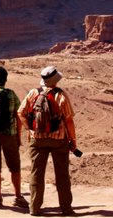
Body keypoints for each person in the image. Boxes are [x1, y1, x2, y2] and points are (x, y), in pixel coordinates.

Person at [18, 66, 77, 216]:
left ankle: (35, 208)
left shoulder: (33, 93)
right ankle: (66, 208)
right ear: (56, 80)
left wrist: (29, 129)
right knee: (62, 174)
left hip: (37, 139)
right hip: (59, 140)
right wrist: (73, 140)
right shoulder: (61, 96)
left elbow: (20, 113)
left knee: (36, 174)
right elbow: (69, 120)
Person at [0, 67, 28, 208]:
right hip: (9, 134)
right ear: (5, 80)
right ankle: (18, 196)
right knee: (14, 167)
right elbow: (19, 115)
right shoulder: (11, 94)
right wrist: (18, 136)